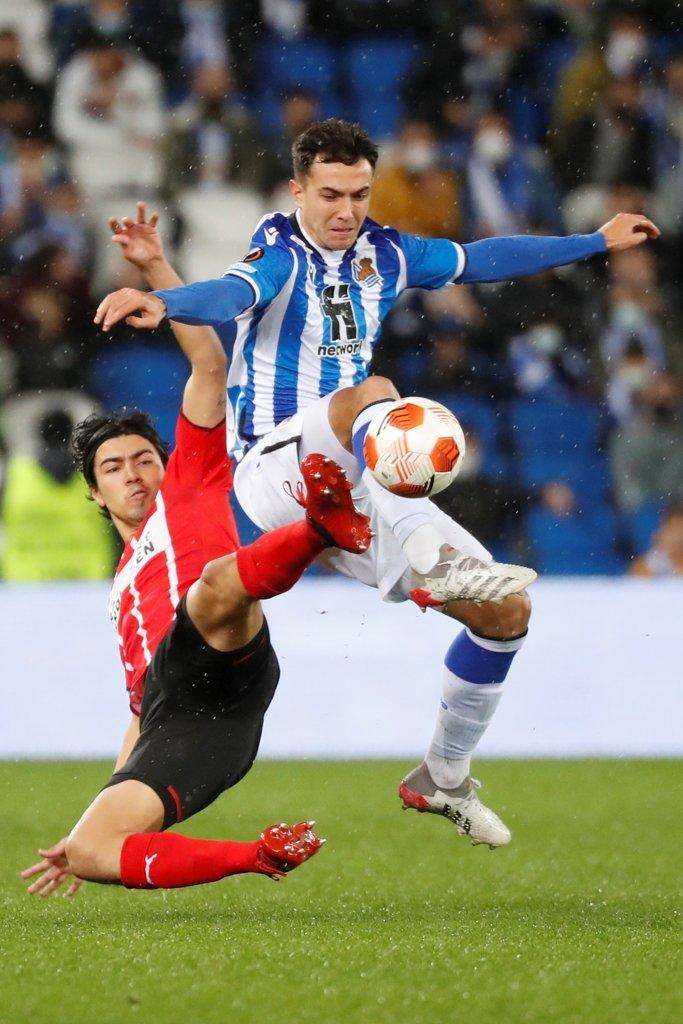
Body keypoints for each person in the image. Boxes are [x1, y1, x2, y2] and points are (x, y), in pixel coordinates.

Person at [95, 120, 660, 849]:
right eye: (329, 194)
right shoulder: (281, 250)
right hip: (273, 467)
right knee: (375, 391)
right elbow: (232, 294)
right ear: (297, 190)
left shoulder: (386, 254)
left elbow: (484, 258)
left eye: (359, 194)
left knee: (507, 613)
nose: (345, 210)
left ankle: (443, 776)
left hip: (357, 481)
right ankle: (423, 546)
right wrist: (166, 301)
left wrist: (591, 241)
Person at [21, 218, 372, 897]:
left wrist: (156, 268)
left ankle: (321, 526)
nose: (135, 475)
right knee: (92, 852)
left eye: (143, 459)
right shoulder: (120, 591)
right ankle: (262, 856)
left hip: (223, 646)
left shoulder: (190, 482)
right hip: (192, 721)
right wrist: (115, 793)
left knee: (213, 589)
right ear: (95, 493)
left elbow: (210, 365)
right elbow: (138, 710)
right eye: (115, 468)